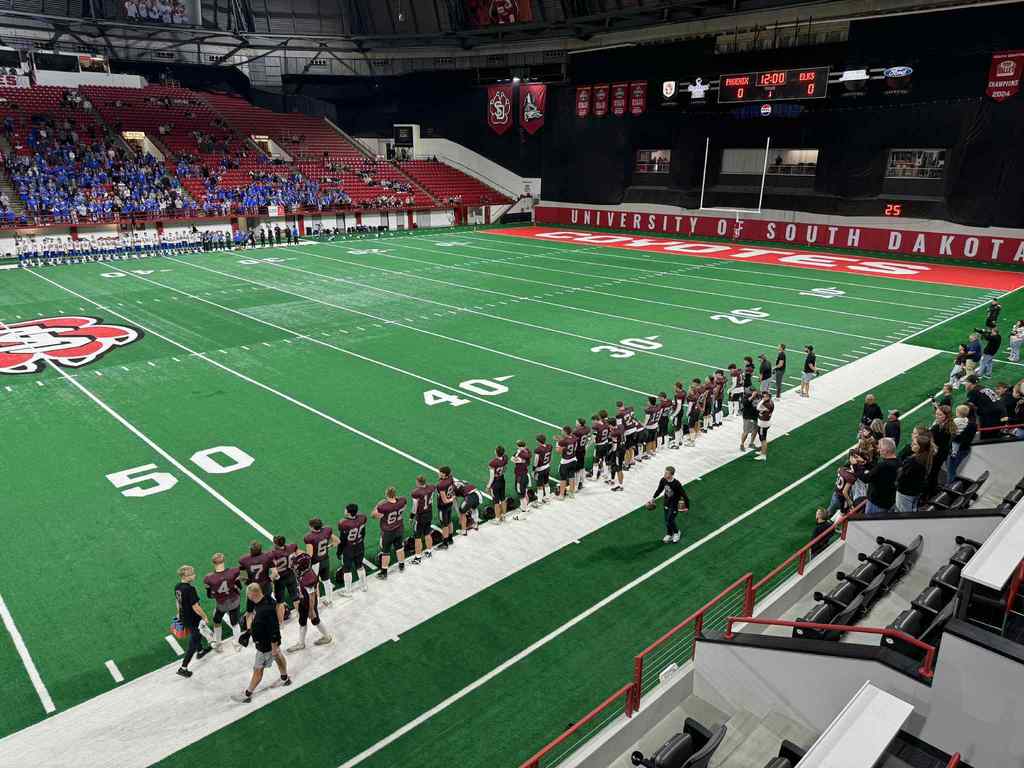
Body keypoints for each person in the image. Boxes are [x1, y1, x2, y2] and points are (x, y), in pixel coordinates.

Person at [232, 583, 290, 702]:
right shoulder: (266, 599)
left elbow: (273, 629)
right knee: (278, 656)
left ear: (253, 594)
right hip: (270, 641)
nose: (247, 596)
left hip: (266, 644)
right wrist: (250, 632)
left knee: (258, 669)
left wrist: (273, 647)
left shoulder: (265, 610)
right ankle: (285, 678)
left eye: (248, 594)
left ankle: (247, 694)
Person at [287, 551, 333, 652]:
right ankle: (301, 643)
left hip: (309, 602)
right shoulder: (304, 572)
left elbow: (312, 595)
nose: (294, 567)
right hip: (304, 600)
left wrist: (311, 610)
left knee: (315, 620)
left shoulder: (309, 577)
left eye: (296, 565)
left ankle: (327, 637)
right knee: (302, 621)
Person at [175, 565, 212, 677]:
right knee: (194, 640)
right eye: (192, 574)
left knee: (195, 633)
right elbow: (195, 606)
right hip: (192, 617)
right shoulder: (190, 589)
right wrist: (204, 616)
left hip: (184, 616)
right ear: (186, 576)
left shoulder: (177, 587)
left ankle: (200, 651)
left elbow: (177, 602)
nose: (194, 575)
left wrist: (178, 613)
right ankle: (183, 667)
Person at [204, 554, 242, 652]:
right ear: (223, 561)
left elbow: (209, 595)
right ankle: (237, 643)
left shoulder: (209, 578)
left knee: (217, 622)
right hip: (234, 601)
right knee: (235, 623)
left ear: (213, 563)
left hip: (221, 604)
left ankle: (219, 644)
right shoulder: (233, 572)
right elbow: (240, 587)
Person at [647, 466, 689, 544]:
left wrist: (687, 506)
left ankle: (676, 533)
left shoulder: (676, 484)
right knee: (667, 520)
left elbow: (684, 495)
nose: (665, 474)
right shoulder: (663, 480)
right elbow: (659, 489)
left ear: (671, 474)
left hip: (674, 504)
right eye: (665, 472)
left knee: (670, 519)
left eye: (666, 473)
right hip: (666, 503)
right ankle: (669, 534)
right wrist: (653, 498)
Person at [373, 487, 407, 579]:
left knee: (386, 551)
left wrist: (377, 505)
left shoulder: (383, 506)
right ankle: (401, 565)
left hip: (388, 531)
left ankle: (384, 572)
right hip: (399, 528)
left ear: (386, 494)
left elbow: (374, 515)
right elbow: (403, 508)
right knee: (399, 547)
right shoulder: (402, 500)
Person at [303, 518, 338, 605]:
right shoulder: (327, 530)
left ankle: (316, 603)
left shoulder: (309, 537)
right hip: (325, 559)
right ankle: (329, 600)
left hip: (315, 563)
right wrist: (328, 547)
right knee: (326, 580)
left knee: (315, 583)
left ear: (312, 527)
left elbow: (310, 554)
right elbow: (337, 541)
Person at [338, 503, 369, 595]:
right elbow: (363, 532)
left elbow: (342, 539)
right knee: (360, 565)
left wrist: (339, 551)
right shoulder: (362, 518)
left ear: (348, 512)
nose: (344, 510)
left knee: (347, 569)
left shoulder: (343, 523)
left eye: (346, 509)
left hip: (348, 548)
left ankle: (348, 591)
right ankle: (364, 586)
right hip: (359, 545)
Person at [862, 437, 899, 515]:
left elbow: (866, 478)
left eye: (879, 448)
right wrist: (866, 463)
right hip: (890, 501)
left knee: (871, 525)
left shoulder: (883, 466)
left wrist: (856, 467)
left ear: (885, 450)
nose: (878, 450)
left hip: (876, 504)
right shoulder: (899, 462)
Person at [896, 433, 931, 513]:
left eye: (915, 444)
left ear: (920, 447)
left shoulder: (913, 461)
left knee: (903, 513)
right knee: (913, 508)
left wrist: (899, 471)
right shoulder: (926, 456)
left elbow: (902, 477)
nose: (911, 444)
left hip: (906, 492)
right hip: (916, 490)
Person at [268, 536, 299, 623]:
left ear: (276, 544)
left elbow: (275, 572)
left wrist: (270, 579)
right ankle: (301, 615)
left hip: (280, 579)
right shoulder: (291, 547)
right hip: (291, 575)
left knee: (280, 602)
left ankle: (281, 623)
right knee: (295, 597)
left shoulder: (273, 554)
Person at [410, 475, 435, 561]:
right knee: (427, 533)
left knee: (417, 537)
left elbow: (414, 506)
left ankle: (418, 557)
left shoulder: (416, 492)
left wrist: (411, 516)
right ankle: (429, 551)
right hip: (429, 513)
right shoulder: (431, 487)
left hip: (420, 516)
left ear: (418, 482)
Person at [948, 404, 977, 479]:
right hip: (964, 447)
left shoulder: (955, 420)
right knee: (952, 467)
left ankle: (951, 484)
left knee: (951, 469)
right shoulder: (968, 422)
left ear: (958, 413)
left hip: (959, 446)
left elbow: (952, 432)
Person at [435, 466, 457, 547]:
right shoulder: (451, 478)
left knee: (444, 524)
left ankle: (445, 542)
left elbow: (444, 500)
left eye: (440, 472)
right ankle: (450, 538)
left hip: (443, 506)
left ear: (444, 474)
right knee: (449, 521)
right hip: (449, 505)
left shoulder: (441, 485)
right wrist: (452, 498)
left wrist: (451, 499)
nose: (438, 473)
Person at [555, 425, 578, 500]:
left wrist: (557, 442)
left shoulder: (563, 441)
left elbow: (558, 451)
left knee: (563, 478)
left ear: (565, 432)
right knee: (571, 476)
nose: (561, 432)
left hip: (565, 462)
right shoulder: (574, 437)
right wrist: (561, 441)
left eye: (562, 431)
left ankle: (561, 495)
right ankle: (571, 493)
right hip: (573, 459)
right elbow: (568, 443)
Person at [486, 446, 509, 523]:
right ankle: (504, 516)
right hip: (502, 479)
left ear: (496, 452)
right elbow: (505, 468)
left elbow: (492, 477)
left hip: (495, 482)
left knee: (496, 501)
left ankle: (497, 518)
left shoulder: (493, 462)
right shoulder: (505, 458)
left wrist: (488, 486)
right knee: (502, 498)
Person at [512, 439, 532, 511]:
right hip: (526, 474)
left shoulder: (519, 453)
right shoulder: (528, 453)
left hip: (520, 476)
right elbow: (528, 456)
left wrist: (518, 455)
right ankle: (526, 505)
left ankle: (524, 508)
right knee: (525, 490)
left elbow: (512, 459)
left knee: (520, 492)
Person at [754, 390, 774, 461]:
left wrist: (762, 400)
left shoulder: (767, 404)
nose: (763, 397)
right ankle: (762, 451)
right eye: (763, 396)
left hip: (763, 423)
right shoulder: (769, 402)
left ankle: (763, 455)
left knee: (763, 439)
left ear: (768, 397)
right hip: (765, 422)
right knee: (762, 438)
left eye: (765, 396)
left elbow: (758, 407)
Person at [739, 388, 760, 453]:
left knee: (755, 430)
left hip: (755, 416)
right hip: (748, 417)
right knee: (746, 431)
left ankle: (751, 443)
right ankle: (742, 444)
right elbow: (745, 403)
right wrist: (752, 396)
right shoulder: (745, 397)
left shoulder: (758, 396)